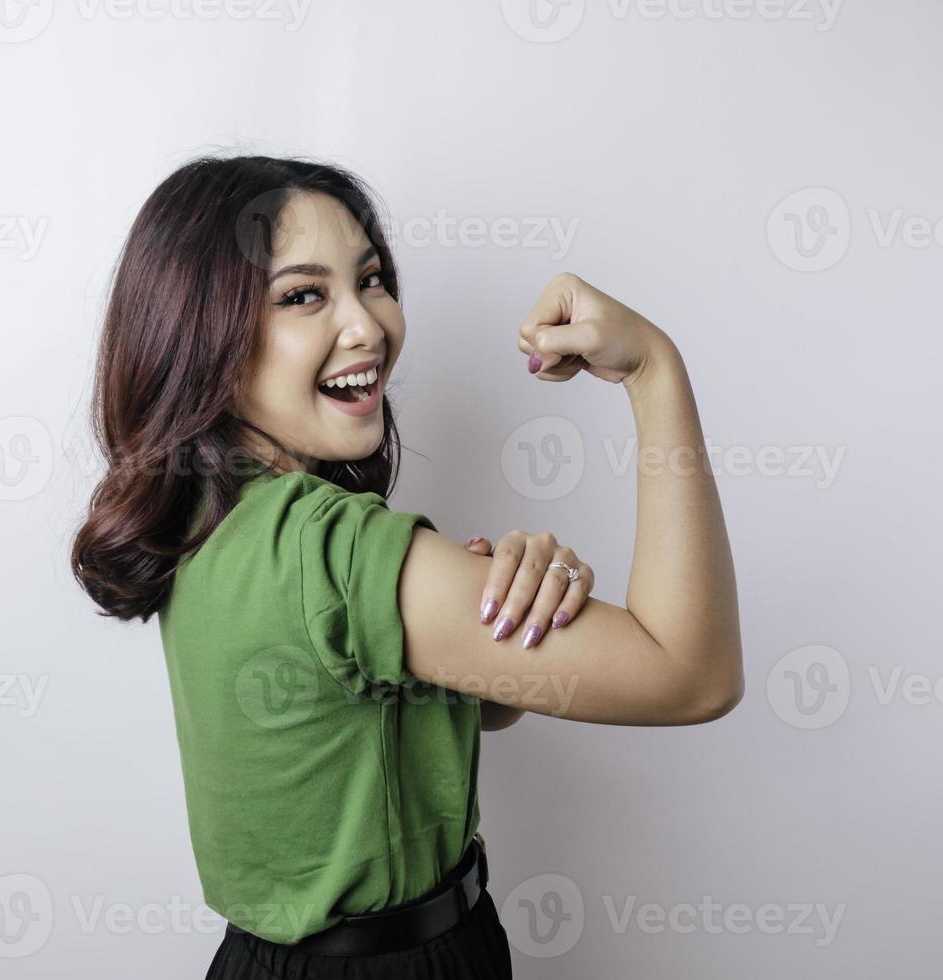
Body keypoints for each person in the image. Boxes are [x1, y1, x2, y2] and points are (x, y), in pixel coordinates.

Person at [71, 154, 743, 978]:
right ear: (202, 331)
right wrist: (653, 369)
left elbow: (438, 721)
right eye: (302, 294)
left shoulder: (220, 520)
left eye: (373, 279)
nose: (367, 327)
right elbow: (693, 675)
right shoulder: (332, 549)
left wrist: (502, 629)